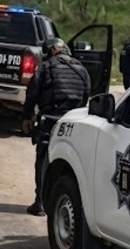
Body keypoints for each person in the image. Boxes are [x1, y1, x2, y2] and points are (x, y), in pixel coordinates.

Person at [21, 38, 91, 216]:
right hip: (73, 123)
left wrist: (27, 117)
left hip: (50, 121)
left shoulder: (45, 67)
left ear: (52, 50)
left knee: (43, 161)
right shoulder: (82, 70)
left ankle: (40, 204)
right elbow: (85, 97)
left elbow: (32, 93)